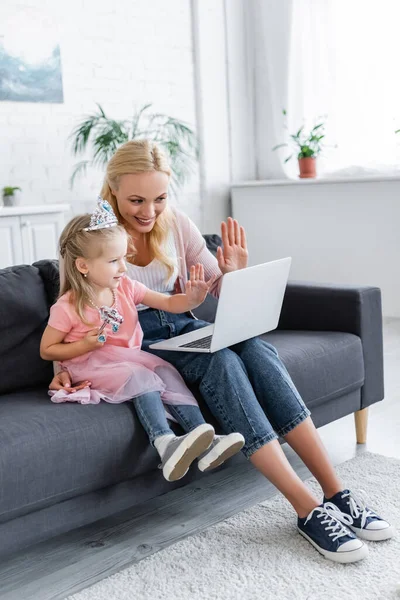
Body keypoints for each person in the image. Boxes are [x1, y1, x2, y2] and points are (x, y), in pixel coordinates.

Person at [50, 139, 393, 564]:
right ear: (113, 189)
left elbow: (215, 288)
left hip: (186, 325)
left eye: (159, 198)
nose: (148, 211)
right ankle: (307, 510)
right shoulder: (94, 236)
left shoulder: (174, 225)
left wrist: (231, 273)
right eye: (136, 199)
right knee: (224, 363)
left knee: (256, 348)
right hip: (143, 344)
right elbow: (72, 307)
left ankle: (337, 494)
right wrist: (62, 364)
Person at [41, 199, 245, 483]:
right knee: (140, 376)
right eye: (114, 261)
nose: (123, 267)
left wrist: (192, 298)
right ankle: (164, 442)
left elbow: (168, 302)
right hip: (88, 365)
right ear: (83, 265)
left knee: (167, 373)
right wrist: (85, 345)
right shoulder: (68, 306)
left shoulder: (125, 287)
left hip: (126, 357)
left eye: (123, 258)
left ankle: (204, 438)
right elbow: (47, 350)